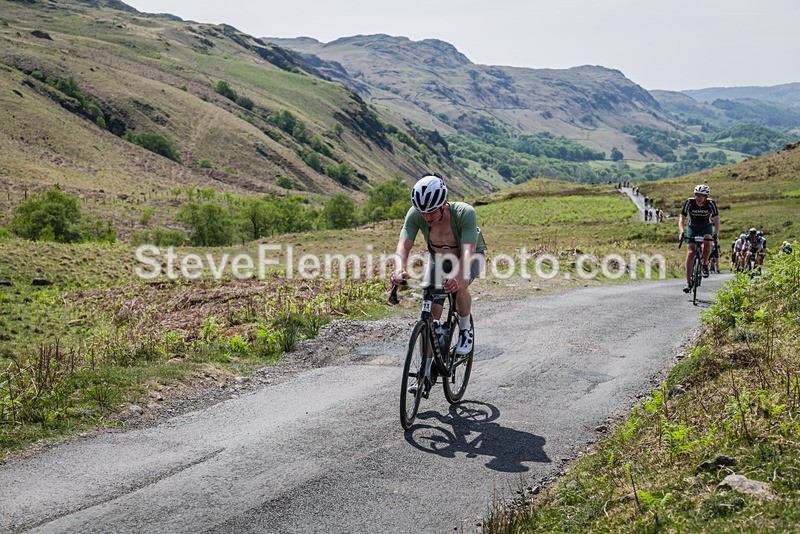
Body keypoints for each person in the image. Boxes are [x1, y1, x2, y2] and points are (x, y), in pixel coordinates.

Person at [391, 174, 487, 391]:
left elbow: (468, 250)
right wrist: (399, 268)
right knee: (431, 313)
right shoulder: (417, 214)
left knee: (460, 284)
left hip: (469, 256)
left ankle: (464, 330)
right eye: (422, 212)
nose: (426, 217)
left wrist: (458, 277)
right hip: (439, 259)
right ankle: (423, 375)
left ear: (443, 204)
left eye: (431, 211)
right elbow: (404, 243)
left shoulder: (464, 213)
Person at [679, 184, 720, 293]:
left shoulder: (711, 203)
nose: (698, 197)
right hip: (693, 227)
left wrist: (716, 233)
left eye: (701, 196)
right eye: (697, 195)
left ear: (706, 197)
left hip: (706, 227)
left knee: (707, 242)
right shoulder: (689, 202)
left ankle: (705, 264)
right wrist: (682, 231)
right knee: (691, 252)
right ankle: (688, 282)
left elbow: (716, 219)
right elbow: (682, 218)